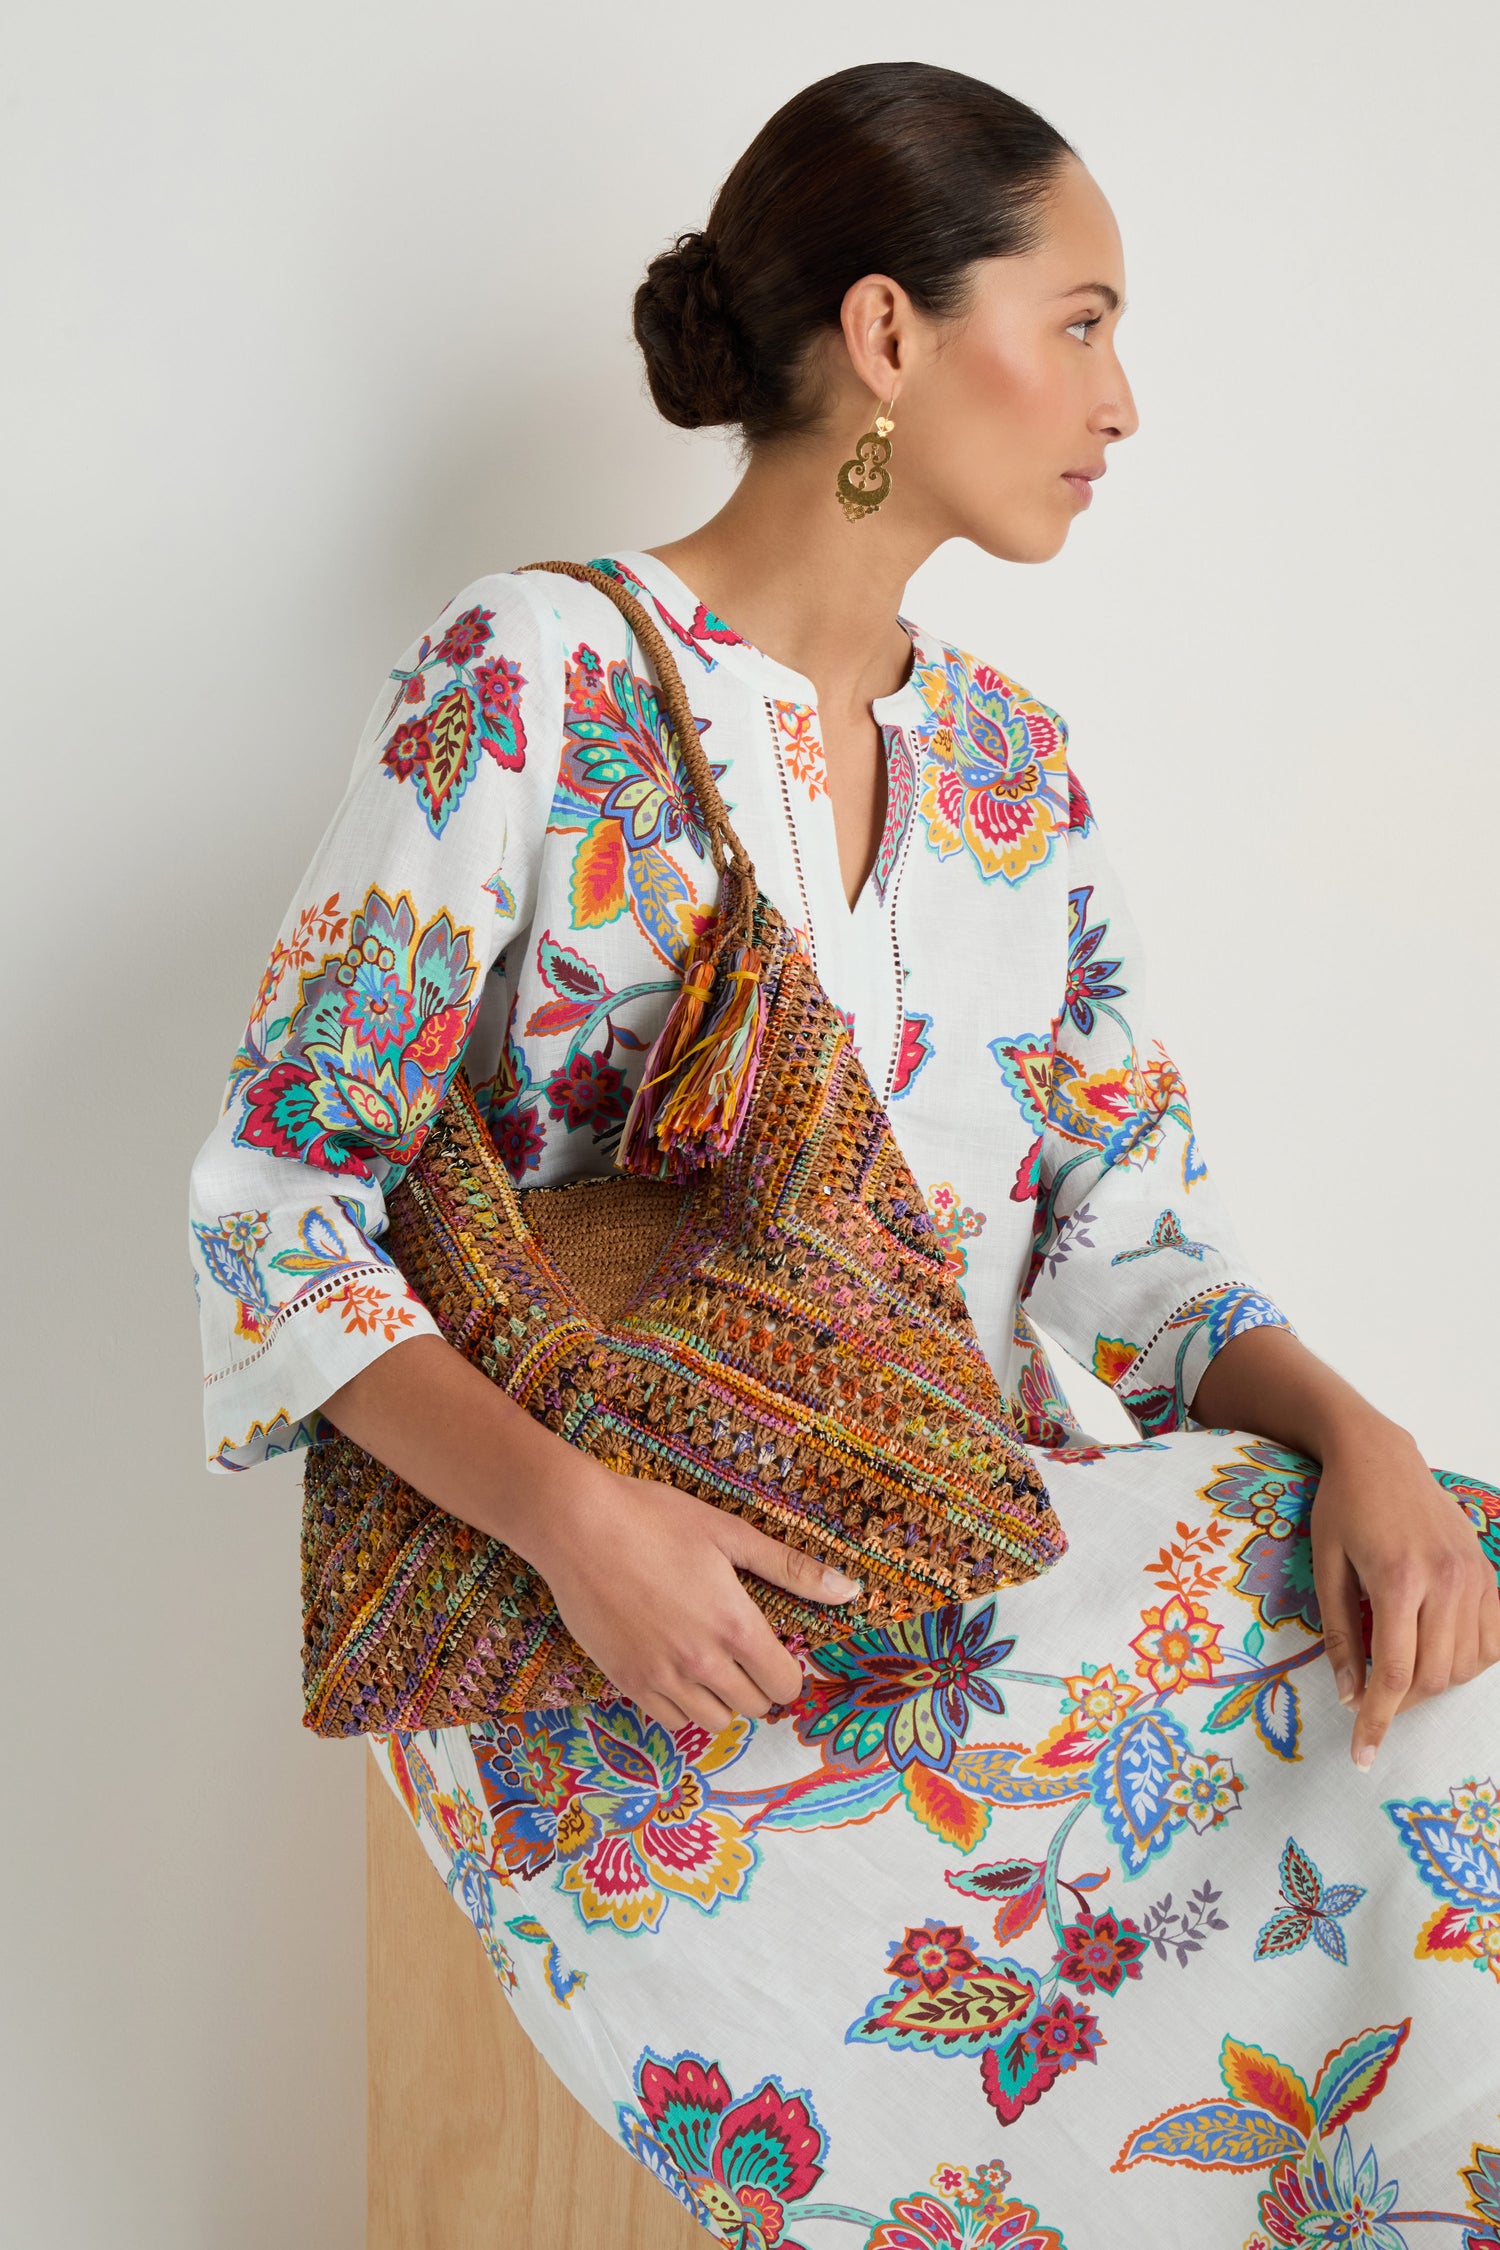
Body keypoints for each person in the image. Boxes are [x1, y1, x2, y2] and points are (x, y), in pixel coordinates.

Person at [188, 60, 1500, 2250]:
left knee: (1446, 1591)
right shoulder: (529, 679)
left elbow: (1133, 1246)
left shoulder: (1015, 778)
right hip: (606, 1651)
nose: (1125, 399)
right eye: (1079, 320)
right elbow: (276, 1201)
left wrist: (1357, 1435)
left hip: (949, 1558)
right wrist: (585, 1526)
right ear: (890, 335)